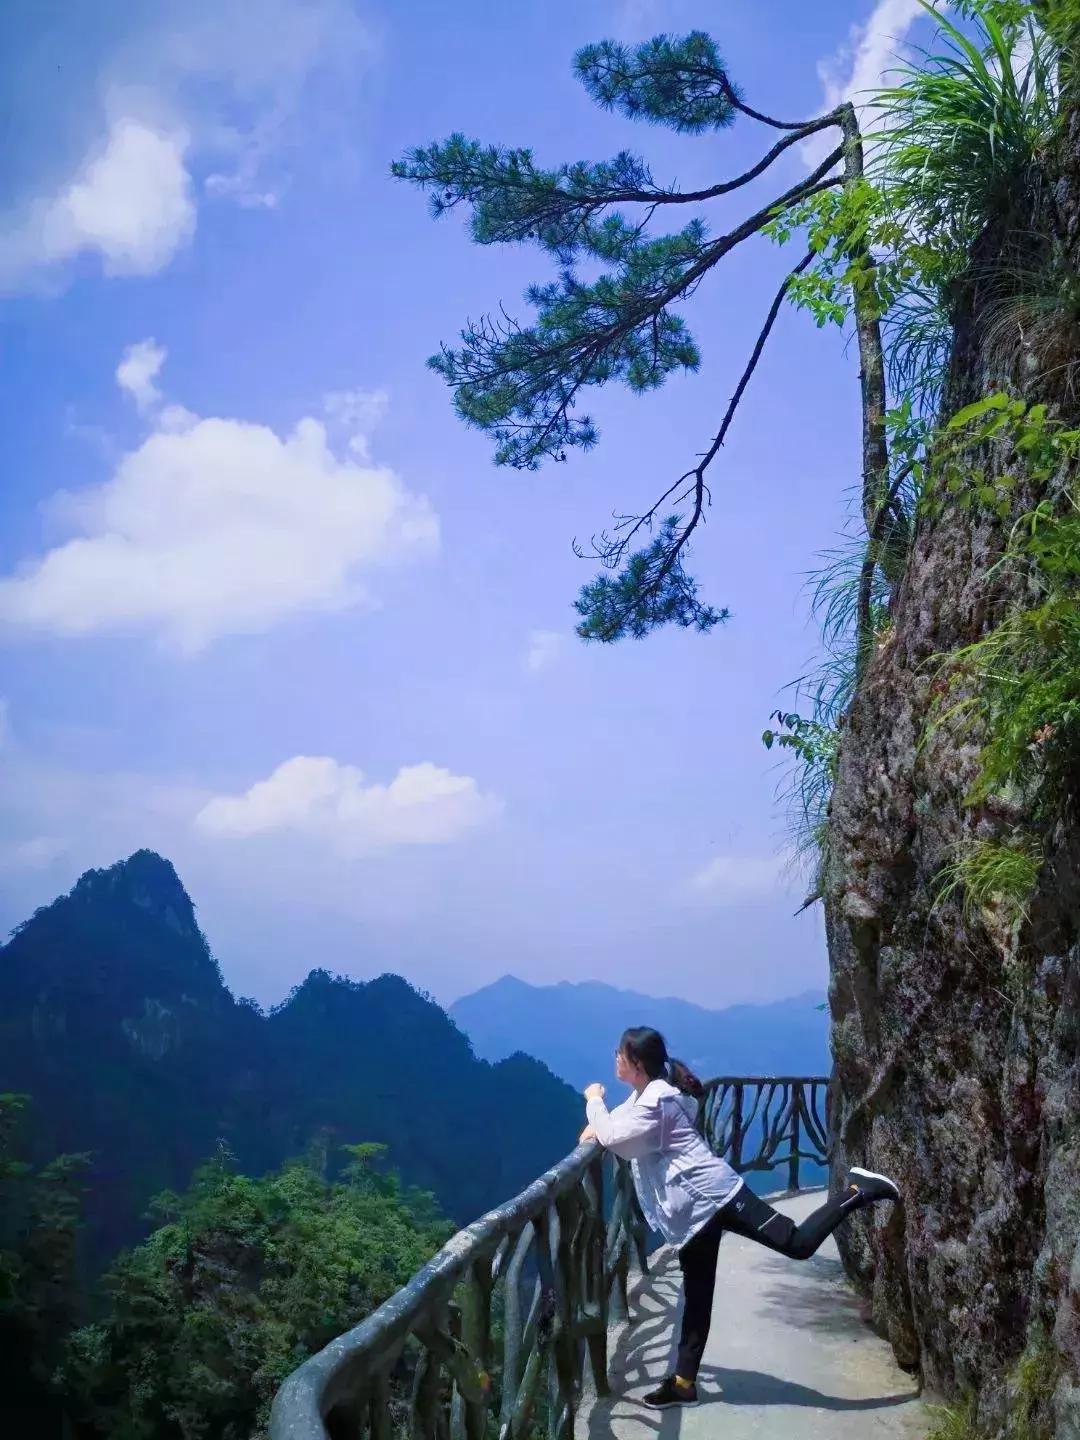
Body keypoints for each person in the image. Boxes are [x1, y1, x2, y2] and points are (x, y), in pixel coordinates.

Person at [579, 1025, 900, 1410]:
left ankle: (858, 1191)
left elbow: (615, 1137)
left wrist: (593, 1101)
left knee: (796, 1243)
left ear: (636, 1064)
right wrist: (597, 1124)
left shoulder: (658, 1102)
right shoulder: (645, 1097)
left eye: (620, 1053)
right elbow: (614, 1127)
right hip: (694, 1216)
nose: (615, 1058)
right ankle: (683, 1383)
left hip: (718, 1198)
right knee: (697, 1296)